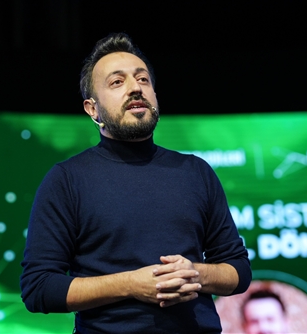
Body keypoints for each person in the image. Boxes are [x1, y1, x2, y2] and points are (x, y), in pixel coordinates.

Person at [20, 33, 251, 333]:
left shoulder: (195, 171)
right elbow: (38, 287)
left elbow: (238, 270)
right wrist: (130, 284)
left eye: (142, 79)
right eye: (117, 82)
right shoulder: (67, 179)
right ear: (92, 109)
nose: (135, 88)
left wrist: (196, 274)